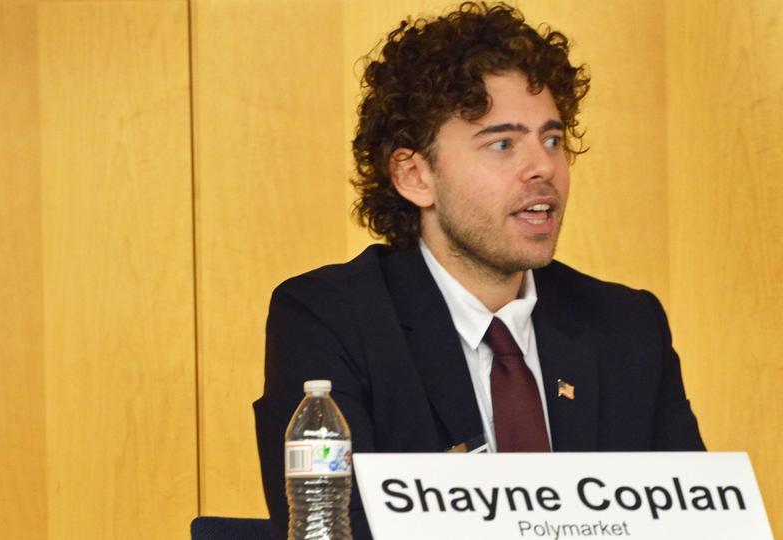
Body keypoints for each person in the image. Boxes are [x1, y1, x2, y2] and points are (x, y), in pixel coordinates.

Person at [253, 3, 705, 539]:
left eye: (552, 139)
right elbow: (334, 528)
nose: (543, 167)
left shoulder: (627, 326)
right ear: (415, 176)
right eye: (503, 144)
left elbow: (696, 523)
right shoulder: (330, 321)